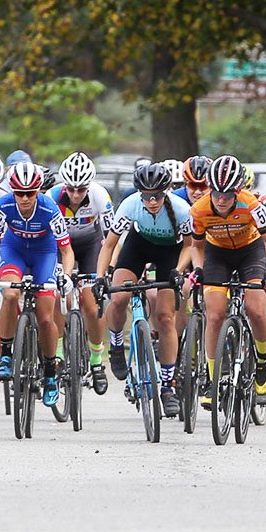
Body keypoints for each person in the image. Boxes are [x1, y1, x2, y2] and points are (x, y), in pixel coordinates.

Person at [95, 162, 192, 415]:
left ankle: (168, 385)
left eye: (157, 196)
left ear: (167, 191)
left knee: (165, 317)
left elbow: (191, 246)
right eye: (146, 196)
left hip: (171, 252)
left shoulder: (181, 210)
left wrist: (178, 272)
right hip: (138, 246)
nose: (151, 201)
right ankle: (116, 344)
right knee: (118, 298)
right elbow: (109, 245)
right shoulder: (130, 205)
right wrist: (99, 276)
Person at [188, 154, 266, 407]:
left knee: (255, 308)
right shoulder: (198, 210)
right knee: (215, 314)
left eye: (228, 194)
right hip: (216, 254)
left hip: (249, 252)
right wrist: (198, 269)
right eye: (217, 192)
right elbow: (196, 247)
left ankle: (263, 360)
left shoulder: (251, 204)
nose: (221, 199)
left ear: (237, 191)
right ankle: (213, 378)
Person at [0, 160, 75, 408]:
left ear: (38, 191)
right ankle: (5, 354)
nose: (24, 198)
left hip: (43, 253)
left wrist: (65, 276)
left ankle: (49, 371)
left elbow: (66, 251)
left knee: (46, 316)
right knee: (10, 293)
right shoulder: (2, 206)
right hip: (13, 249)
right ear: (12, 191)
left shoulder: (49, 209)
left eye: (30, 193)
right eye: (19, 193)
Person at [48, 151, 114, 394]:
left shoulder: (99, 196)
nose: (76, 195)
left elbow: (110, 238)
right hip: (57, 246)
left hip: (89, 245)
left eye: (81, 189)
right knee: (56, 296)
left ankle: (97, 362)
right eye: (72, 189)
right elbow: (45, 239)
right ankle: (57, 354)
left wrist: (107, 268)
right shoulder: (51, 197)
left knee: (90, 301)